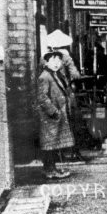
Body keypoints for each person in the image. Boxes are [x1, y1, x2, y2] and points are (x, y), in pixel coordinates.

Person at [45, 29, 85, 161]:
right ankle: (74, 151)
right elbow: (75, 75)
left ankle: (57, 154)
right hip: (65, 93)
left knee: (54, 123)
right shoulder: (66, 57)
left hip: (50, 93)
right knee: (72, 120)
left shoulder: (44, 58)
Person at [36, 51, 74, 179]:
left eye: (58, 60)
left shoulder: (54, 74)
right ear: (46, 63)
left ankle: (51, 169)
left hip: (54, 117)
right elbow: (42, 97)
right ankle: (49, 170)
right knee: (49, 144)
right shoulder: (45, 77)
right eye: (53, 60)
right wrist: (54, 112)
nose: (57, 63)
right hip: (49, 117)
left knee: (52, 143)